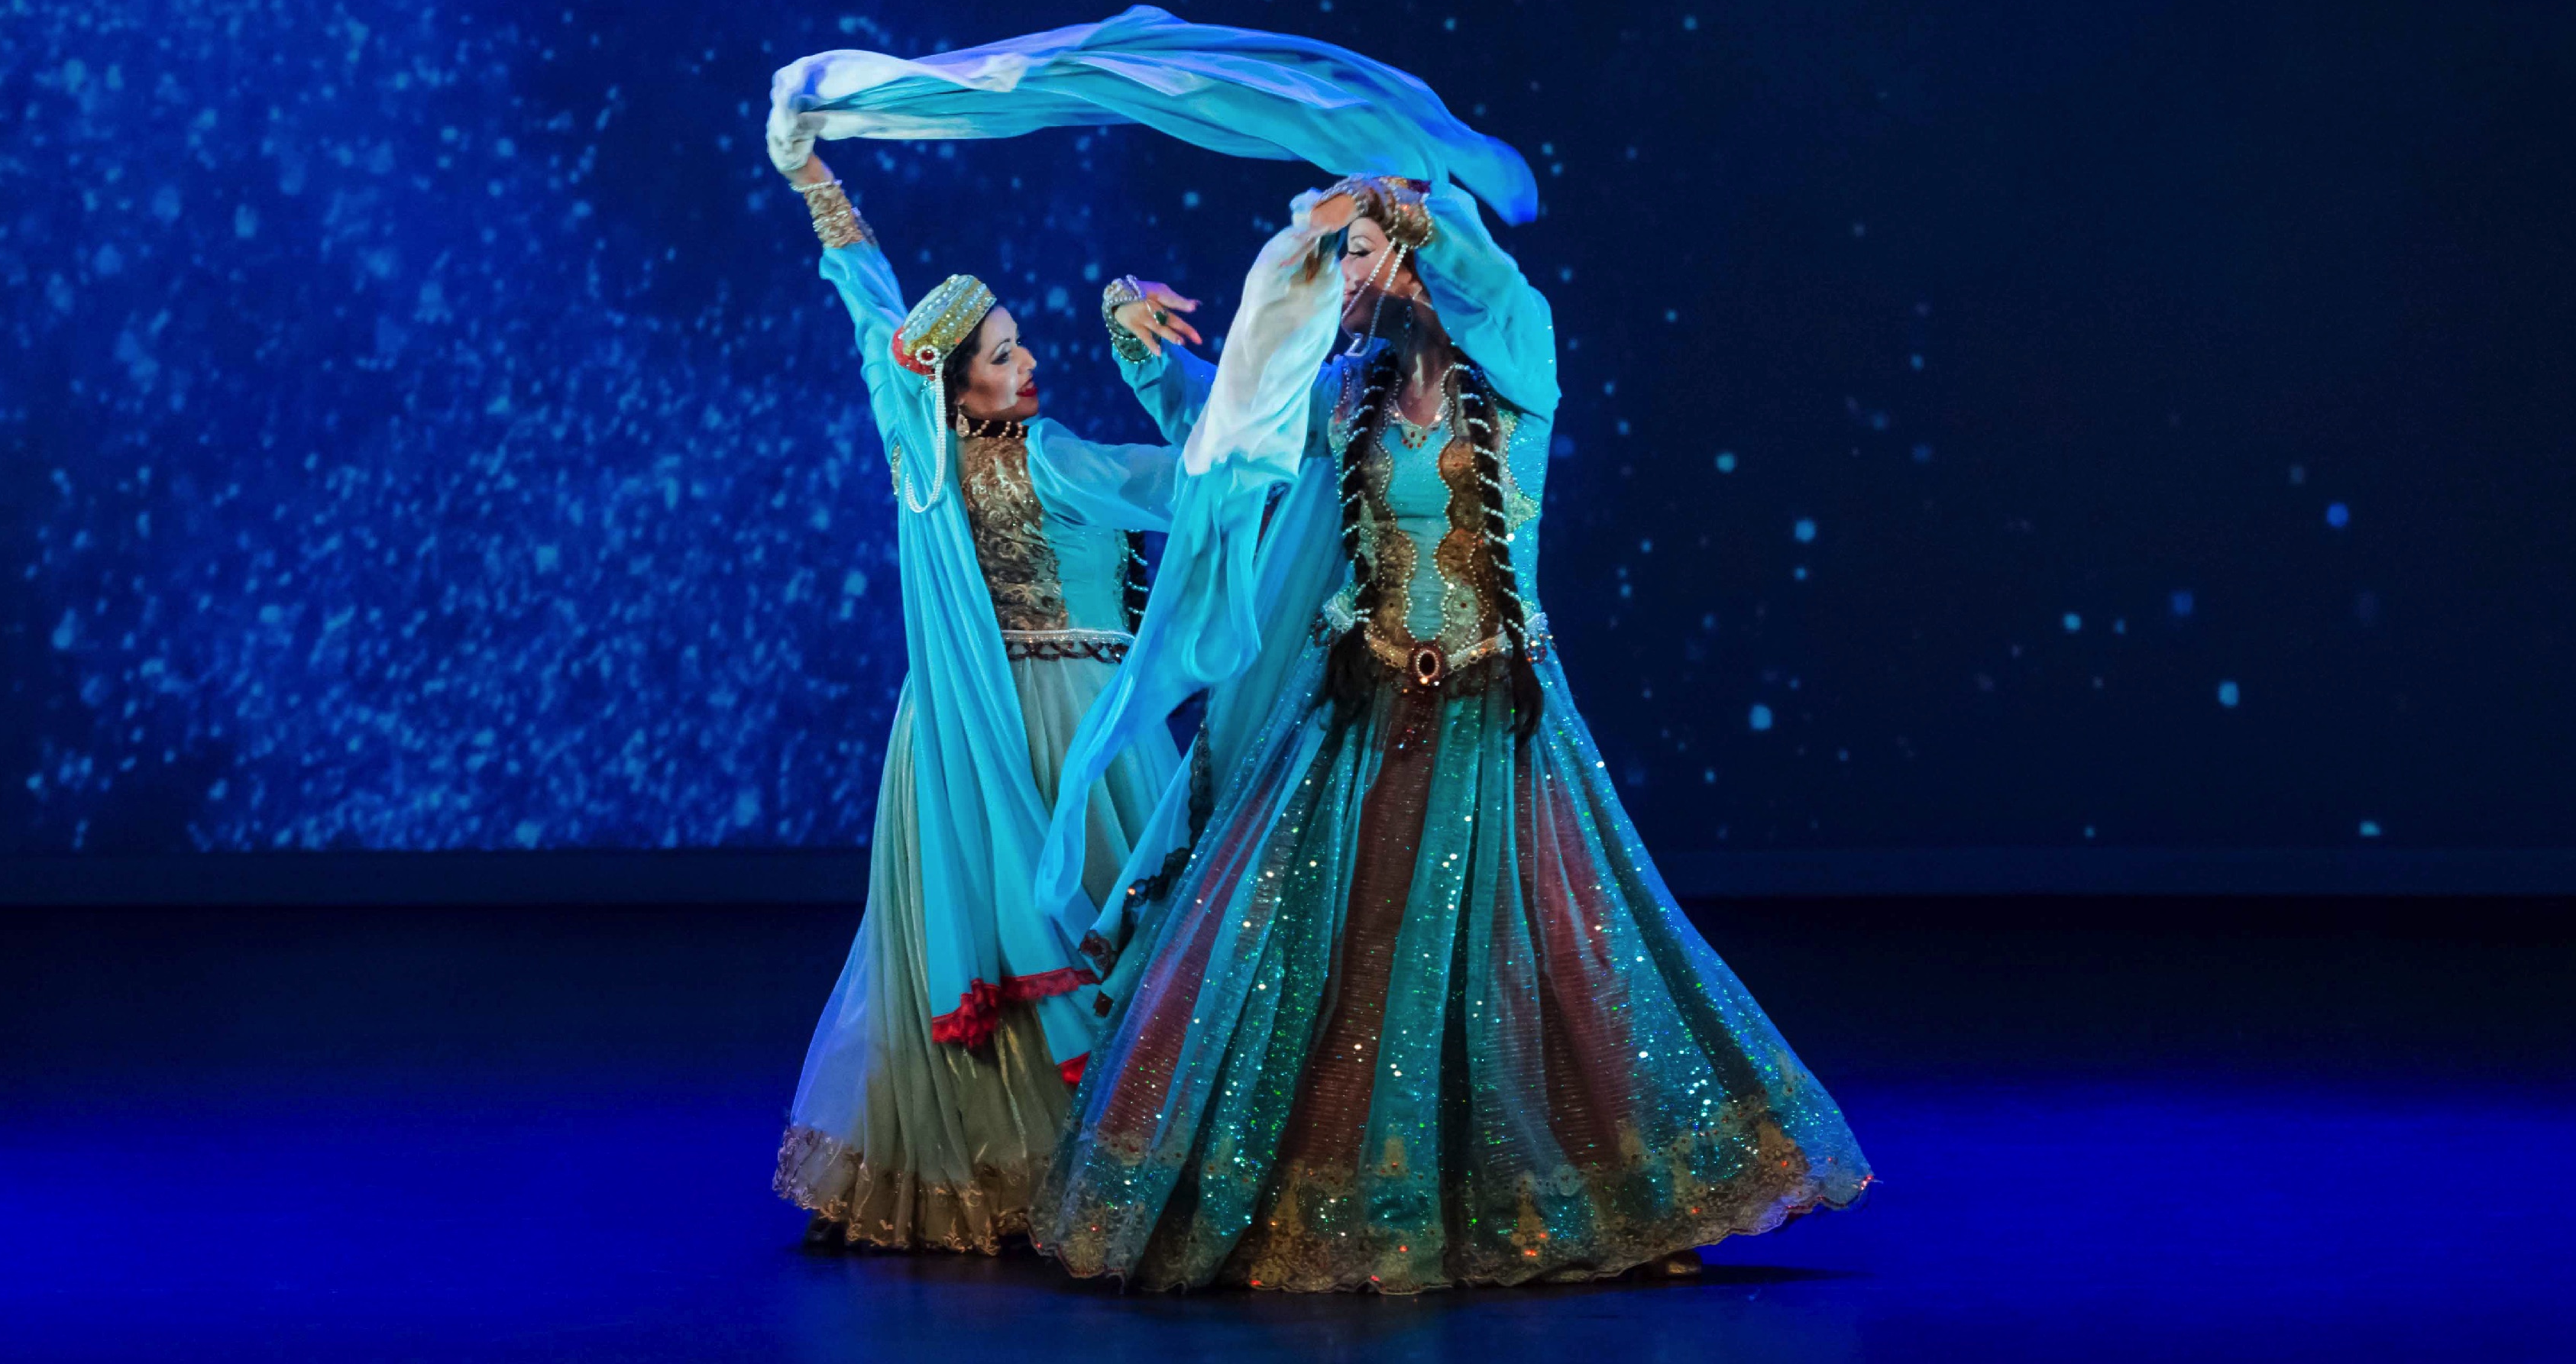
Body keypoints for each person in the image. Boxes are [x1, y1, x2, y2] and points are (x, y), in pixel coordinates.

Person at [1028, 178, 1873, 1292]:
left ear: (1415, 262)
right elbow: (1223, 423)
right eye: (1337, 258)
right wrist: (1135, 340)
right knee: (1328, 961)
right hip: (1359, 707)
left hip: (1496, 709)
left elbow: (1497, 283)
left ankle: (1622, 1199)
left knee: (1554, 952)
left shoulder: (1518, 369)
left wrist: (1406, 205)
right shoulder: (1346, 393)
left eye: (1356, 253)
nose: (1337, 276)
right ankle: (1342, 1207)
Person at [765, 154, 1209, 1252]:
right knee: (1117, 926)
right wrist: (1143, 345)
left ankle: (964, 1169)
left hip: (947, 738)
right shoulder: (1049, 460)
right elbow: (1198, 478)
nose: (1029, 362)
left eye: (1019, 346)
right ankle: (1099, 1167)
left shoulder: (913, 444)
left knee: (943, 942)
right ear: (960, 386)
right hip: (1076, 725)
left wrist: (817, 184)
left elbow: (872, 308)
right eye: (1005, 355)